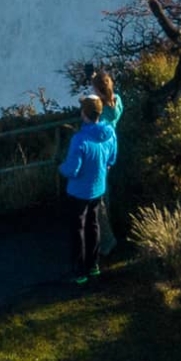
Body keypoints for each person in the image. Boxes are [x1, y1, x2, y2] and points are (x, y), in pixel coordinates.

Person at [58, 94, 116, 284]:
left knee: (78, 229)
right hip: (98, 187)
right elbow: (111, 158)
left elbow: (72, 170)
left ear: (84, 113)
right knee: (94, 225)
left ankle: (79, 271)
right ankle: (93, 266)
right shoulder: (109, 133)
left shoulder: (80, 139)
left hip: (78, 191)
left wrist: (61, 167)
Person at [92, 70, 123, 259]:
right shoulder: (117, 102)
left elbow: (93, 114)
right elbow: (109, 95)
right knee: (105, 193)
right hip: (110, 155)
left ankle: (107, 241)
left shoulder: (99, 113)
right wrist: (95, 79)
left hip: (99, 158)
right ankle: (106, 233)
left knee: (98, 200)